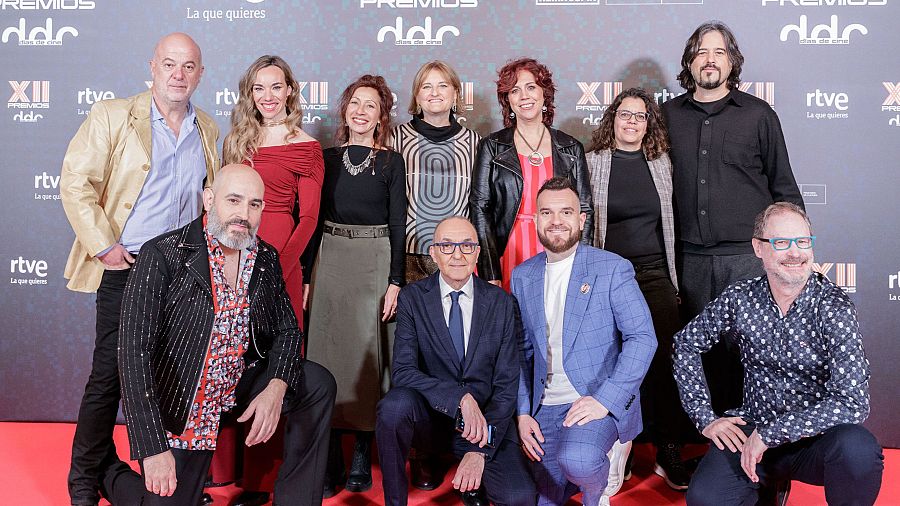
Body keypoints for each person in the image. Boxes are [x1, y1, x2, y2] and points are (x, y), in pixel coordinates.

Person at [112, 164, 335, 506]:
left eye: (254, 204)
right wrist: (152, 447)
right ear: (209, 199)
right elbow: (132, 354)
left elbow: (288, 331)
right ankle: (108, 474)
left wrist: (275, 388)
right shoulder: (163, 254)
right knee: (160, 500)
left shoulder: (264, 257)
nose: (243, 214)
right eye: (234, 200)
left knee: (317, 382)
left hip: (239, 384)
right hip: (187, 400)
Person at [59, 32, 219, 506]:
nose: (178, 74)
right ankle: (84, 478)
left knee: (172, 373)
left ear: (201, 74)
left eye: (188, 66)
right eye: (169, 64)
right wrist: (104, 245)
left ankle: (175, 478)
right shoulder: (112, 115)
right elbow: (74, 181)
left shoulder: (208, 128)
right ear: (152, 66)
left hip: (182, 275)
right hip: (126, 267)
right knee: (110, 374)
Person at [673, 202, 884, 505]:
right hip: (751, 430)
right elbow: (686, 344)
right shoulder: (740, 298)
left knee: (858, 450)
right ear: (758, 248)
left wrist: (771, 434)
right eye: (782, 243)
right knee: (707, 498)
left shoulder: (834, 307)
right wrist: (705, 417)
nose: (795, 253)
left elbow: (852, 402)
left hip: (815, 441)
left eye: (802, 242)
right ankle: (765, 491)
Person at [662, 21, 805, 417]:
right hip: (687, 260)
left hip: (748, 258)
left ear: (732, 62)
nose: (710, 60)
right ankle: (703, 447)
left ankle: (764, 449)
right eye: (701, 52)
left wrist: (792, 256)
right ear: (689, 61)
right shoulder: (666, 116)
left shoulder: (759, 115)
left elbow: (785, 189)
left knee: (756, 355)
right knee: (694, 354)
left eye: (719, 52)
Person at [218, 54, 325, 506]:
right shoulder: (237, 142)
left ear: (290, 91)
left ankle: (270, 479)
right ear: (250, 94)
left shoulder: (306, 146)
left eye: (276, 87)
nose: (268, 96)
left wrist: (278, 270)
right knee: (234, 357)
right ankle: (231, 473)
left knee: (277, 363)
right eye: (259, 88)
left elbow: (310, 218)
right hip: (232, 259)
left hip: (283, 262)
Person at [512, 177, 657, 506]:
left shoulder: (611, 268)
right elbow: (520, 351)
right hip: (544, 405)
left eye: (566, 212)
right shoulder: (522, 275)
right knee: (544, 499)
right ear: (536, 220)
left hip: (592, 397)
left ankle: (598, 490)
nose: (556, 221)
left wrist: (605, 400)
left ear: (581, 219)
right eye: (547, 213)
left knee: (579, 461)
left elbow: (643, 338)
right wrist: (522, 413)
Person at [376, 216, 536, 506]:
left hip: (484, 423)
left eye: (466, 245)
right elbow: (403, 372)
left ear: (477, 252)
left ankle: (474, 479)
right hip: (432, 420)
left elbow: (506, 385)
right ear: (434, 253)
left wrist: (481, 451)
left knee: (520, 498)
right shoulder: (413, 298)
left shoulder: (501, 302)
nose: (458, 254)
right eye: (447, 246)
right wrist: (459, 397)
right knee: (394, 407)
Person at [586, 87, 694, 491]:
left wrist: (674, 280)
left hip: (653, 275)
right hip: (607, 276)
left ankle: (669, 450)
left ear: (649, 125)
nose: (632, 121)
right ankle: (617, 449)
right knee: (611, 365)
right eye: (625, 114)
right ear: (612, 119)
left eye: (640, 116)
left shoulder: (660, 163)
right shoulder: (592, 161)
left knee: (665, 364)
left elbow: (674, 225)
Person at [306, 74, 407, 495]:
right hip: (331, 257)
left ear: (381, 116)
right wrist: (309, 274)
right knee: (325, 354)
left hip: (374, 258)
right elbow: (312, 222)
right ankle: (326, 455)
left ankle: (362, 453)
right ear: (345, 110)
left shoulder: (391, 163)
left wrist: (396, 281)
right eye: (355, 103)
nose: (361, 111)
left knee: (368, 356)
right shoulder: (325, 158)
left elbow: (399, 224)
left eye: (371, 105)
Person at [471, 57, 594, 292]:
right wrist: (489, 270)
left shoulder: (571, 148)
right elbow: (479, 208)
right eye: (515, 90)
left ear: (544, 94)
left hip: (559, 246)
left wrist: (581, 265)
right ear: (508, 100)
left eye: (531, 87)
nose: (524, 96)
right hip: (509, 251)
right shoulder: (492, 146)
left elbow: (585, 210)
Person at [393, 60, 481, 285]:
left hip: (458, 256)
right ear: (417, 96)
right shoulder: (395, 139)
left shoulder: (474, 143)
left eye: (442, 86)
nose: (434, 93)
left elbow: (480, 206)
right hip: (408, 254)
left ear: (455, 94)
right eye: (426, 86)